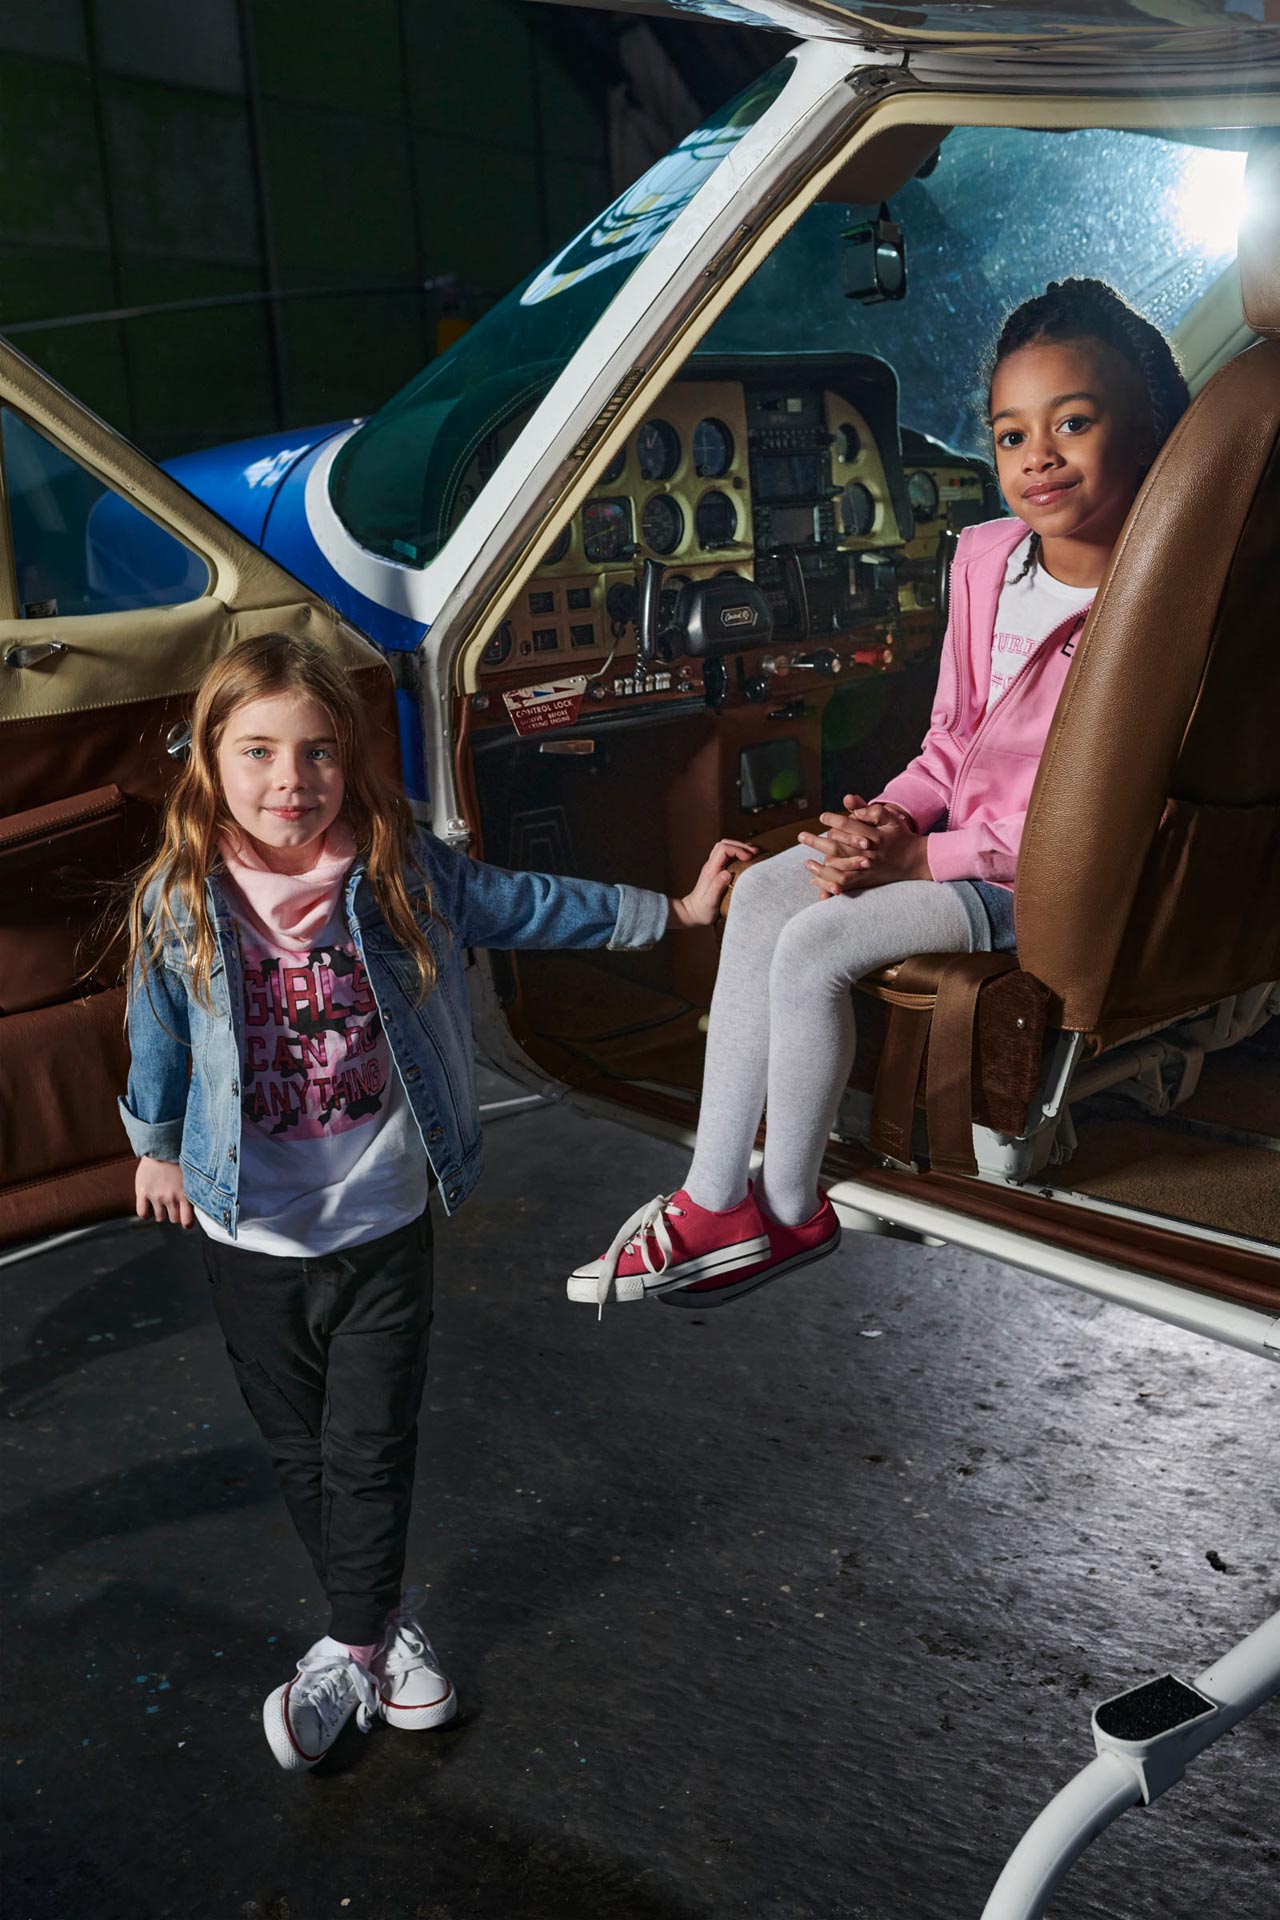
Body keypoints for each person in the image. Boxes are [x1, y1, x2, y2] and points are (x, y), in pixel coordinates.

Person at [118, 631, 751, 1771]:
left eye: (317, 752)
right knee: (301, 1448)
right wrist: (156, 1146)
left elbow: (524, 903)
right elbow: (157, 1027)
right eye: (257, 751)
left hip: (379, 1217)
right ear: (210, 761)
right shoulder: (179, 897)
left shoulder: (400, 869)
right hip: (246, 1229)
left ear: (349, 762)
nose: (289, 781)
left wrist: (673, 909)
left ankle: (349, 1646)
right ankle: (374, 1630)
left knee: (367, 1446)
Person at [569, 277, 1190, 1314]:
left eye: (1073, 424)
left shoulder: (1152, 601)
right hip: (952, 848)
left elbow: (1102, 821)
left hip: (1046, 884)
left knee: (814, 945)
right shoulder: (984, 559)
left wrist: (924, 860)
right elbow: (949, 740)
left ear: (1147, 431)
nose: (1036, 456)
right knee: (766, 893)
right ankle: (712, 1199)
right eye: (1010, 434)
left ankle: (784, 1207)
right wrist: (889, 818)